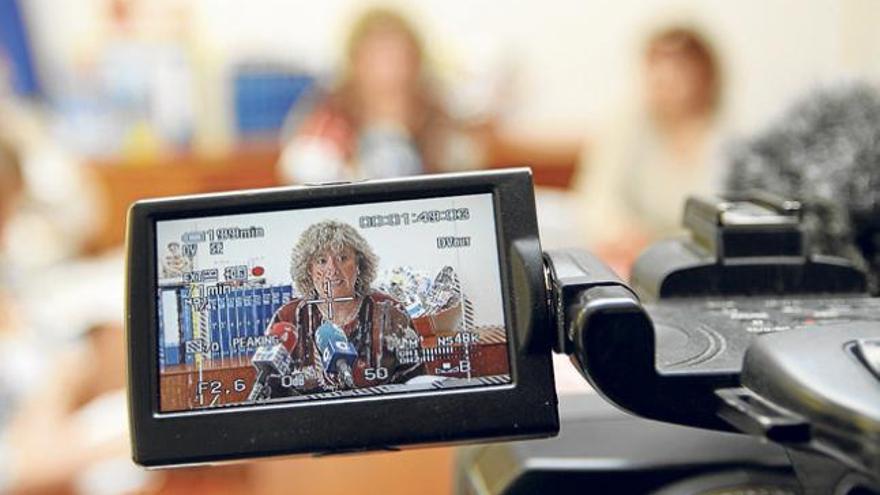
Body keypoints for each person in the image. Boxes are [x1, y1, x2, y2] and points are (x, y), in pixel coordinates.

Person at [574, 25, 727, 274]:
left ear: (704, 75)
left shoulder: (728, 137)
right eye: (656, 64)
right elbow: (597, 197)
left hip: (701, 266)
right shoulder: (625, 124)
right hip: (634, 259)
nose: (665, 76)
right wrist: (623, 234)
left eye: (679, 66)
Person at [278, 7, 485, 184]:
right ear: (355, 63)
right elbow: (298, 171)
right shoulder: (328, 120)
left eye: (398, 57)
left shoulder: (439, 117)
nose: (388, 72)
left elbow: (467, 165)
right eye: (376, 58)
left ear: (416, 62)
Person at [262, 220, 423, 396]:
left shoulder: (391, 313)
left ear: (359, 265)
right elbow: (270, 392)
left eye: (342, 258)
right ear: (309, 269)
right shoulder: (288, 317)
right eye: (322, 261)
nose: (332, 270)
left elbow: (416, 384)